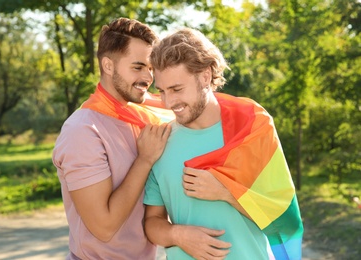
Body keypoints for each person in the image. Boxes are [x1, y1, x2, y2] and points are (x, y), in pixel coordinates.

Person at [144, 28, 304, 260]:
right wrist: (178, 235)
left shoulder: (251, 130)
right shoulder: (159, 142)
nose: (169, 102)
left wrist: (227, 193)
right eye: (162, 91)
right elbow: (151, 223)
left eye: (177, 89)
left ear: (205, 76)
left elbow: (282, 215)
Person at [52, 17, 172, 260]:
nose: (148, 78)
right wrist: (144, 160)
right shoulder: (83, 130)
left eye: (150, 68)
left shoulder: (144, 117)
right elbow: (103, 228)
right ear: (108, 66)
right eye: (138, 67)